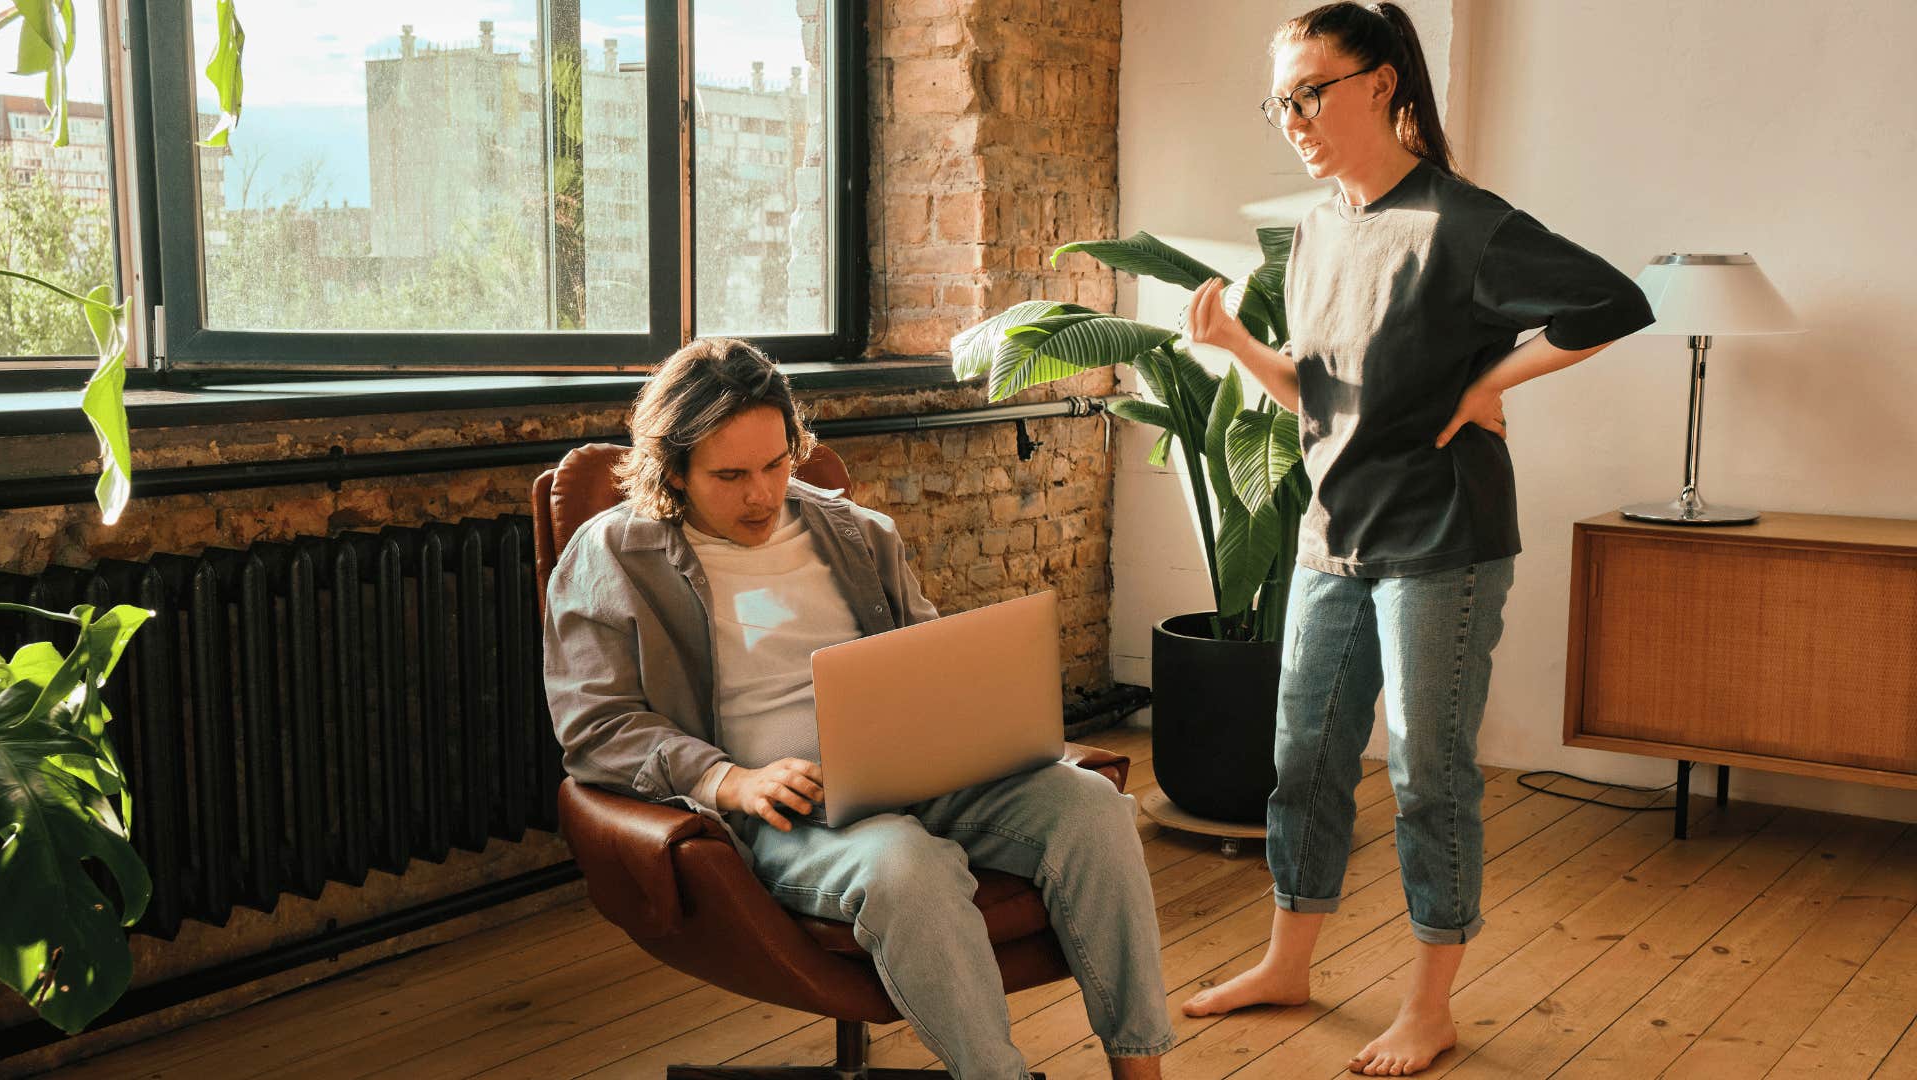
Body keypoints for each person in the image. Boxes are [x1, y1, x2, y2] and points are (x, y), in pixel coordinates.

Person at [1175, 3, 1654, 1075]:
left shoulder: (1461, 223)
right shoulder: (1314, 229)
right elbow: (1323, 397)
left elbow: (1613, 300)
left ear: (1385, 82)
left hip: (1444, 539)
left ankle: (1430, 1004)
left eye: (1312, 90)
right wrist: (1236, 344)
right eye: (1279, 100)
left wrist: (1489, 379)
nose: (1293, 116)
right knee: (1304, 758)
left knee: (1429, 774)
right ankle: (1287, 962)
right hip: (1333, 537)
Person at [543, 338, 1174, 1080]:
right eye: (731, 475)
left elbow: (925, 660)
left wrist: (976, 704)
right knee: (906, 867)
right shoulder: (615, 554)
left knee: (1093, 807)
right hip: (786, 812)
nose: (762, 495)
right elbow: (596, 727)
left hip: (913, 772)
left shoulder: (851, 531)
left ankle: (1141, 1072)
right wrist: (729, 781)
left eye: (777, 463)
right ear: (671, 470)